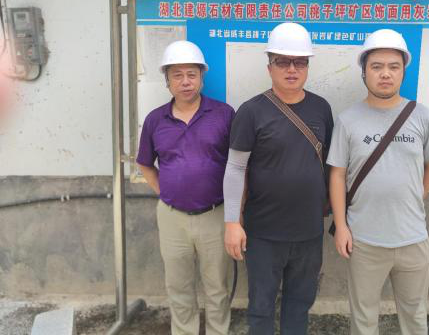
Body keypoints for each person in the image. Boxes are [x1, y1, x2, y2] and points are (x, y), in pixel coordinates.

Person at [327, 29, 429, 335]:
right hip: (364, 241)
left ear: (403, 71)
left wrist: (417, 196)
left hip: (413, 239)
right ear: (364, 72)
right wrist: (342, 226)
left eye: (394, 66)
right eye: (377, 66)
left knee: (415, 317)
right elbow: (337, 174)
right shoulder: (348, 119)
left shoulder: (422, 116)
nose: (385, 74)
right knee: (364, 319)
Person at [223, 22, 333, 335]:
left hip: (309, 231)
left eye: (300, 62)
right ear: (269, 66)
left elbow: (330, 167)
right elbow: (235, 168)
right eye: (282, 62)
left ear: (308, 66)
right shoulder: (251, 111)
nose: (292, 69)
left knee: (300, 304)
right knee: (260, 308)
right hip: (263, 232)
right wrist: (232, 223)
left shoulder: (321, 108)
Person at [136, 40, 234, 335]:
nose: (185, 81)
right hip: (172, 217)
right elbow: (145, 164)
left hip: (215, 214)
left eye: (192, 74)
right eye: (177, 75)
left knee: (217, 287)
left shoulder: (224, 114)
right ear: (167, 81)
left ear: (202, 77)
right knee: (178, 287)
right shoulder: (155, 120)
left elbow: (239, 165)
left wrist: (237, 212)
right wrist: (165, 192)